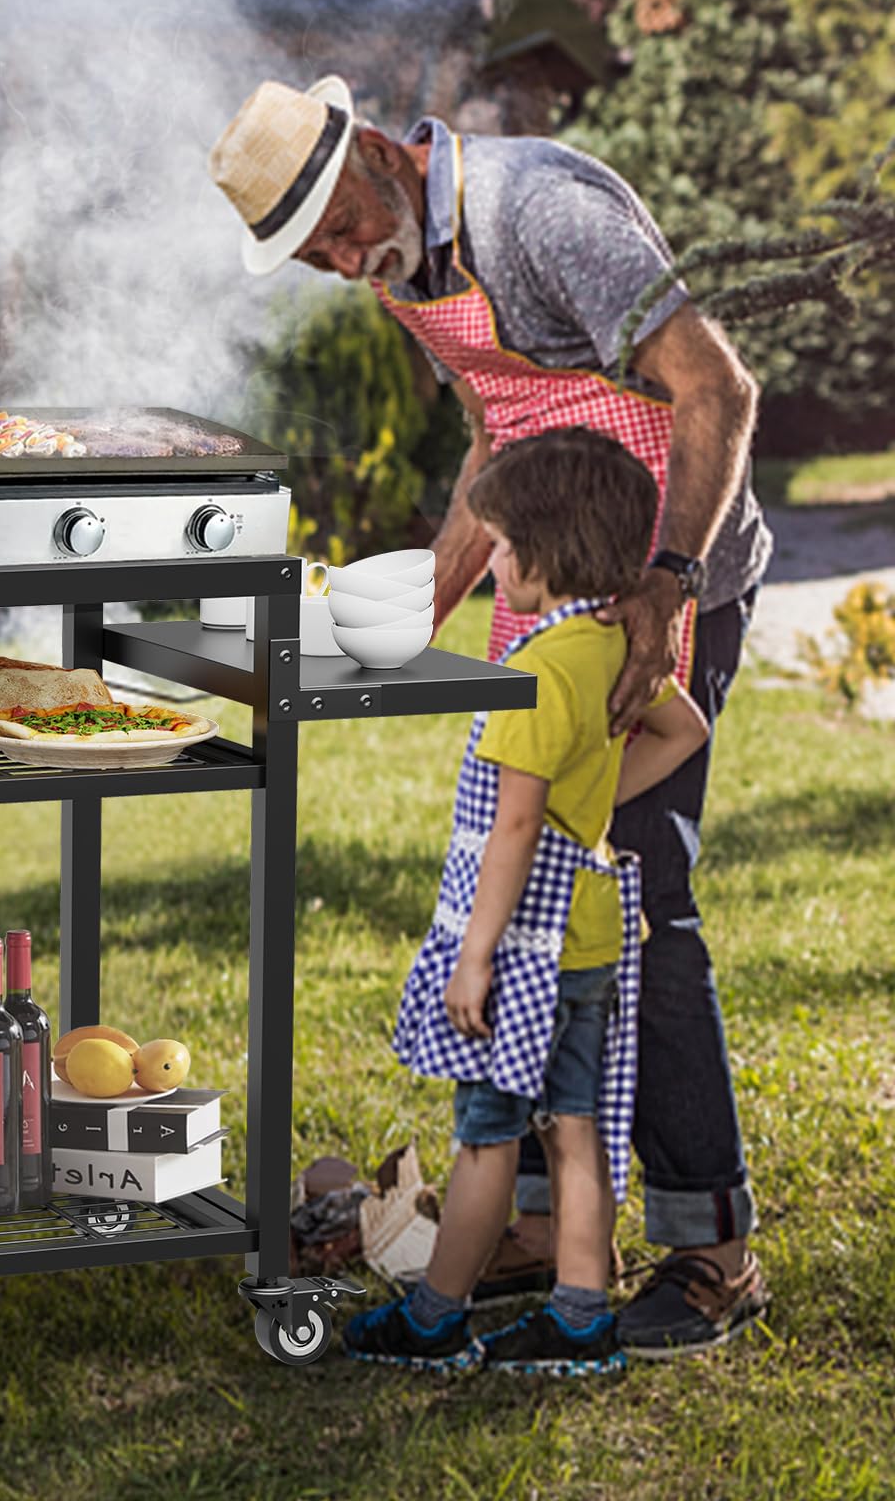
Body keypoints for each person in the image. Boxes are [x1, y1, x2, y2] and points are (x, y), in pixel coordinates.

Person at [210, 78, 774, 1355]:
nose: (345, 265)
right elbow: (496, 436)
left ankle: (712, 1250)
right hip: (557, 578)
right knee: (526, 907)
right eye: (316, 259)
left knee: (636, 895)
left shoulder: (537, 212)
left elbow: (718, 392)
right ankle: (535, 1222)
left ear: (375, 153)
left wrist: (666, 587)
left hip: (663, 575)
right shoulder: (408, 265)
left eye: (340, 230)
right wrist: (409, 611)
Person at [342, 430, 709, 1374]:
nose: (494, 563)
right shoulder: (612, 647)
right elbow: (685, 730)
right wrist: (590, 812)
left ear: (544, 551)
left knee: (486, 1137)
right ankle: (581, 1320)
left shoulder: (538, 669)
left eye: (501, 544)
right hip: (586, 939)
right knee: (575, 1128)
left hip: (520, 950)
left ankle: (435, 1318)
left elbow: (512, 827)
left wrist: (475, 956)